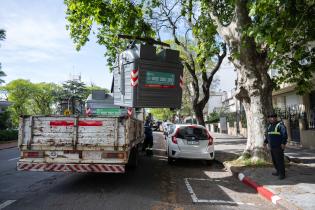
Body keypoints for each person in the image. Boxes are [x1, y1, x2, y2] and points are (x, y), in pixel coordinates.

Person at [264, 113, 288, 180]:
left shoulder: (280, 125)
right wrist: (265, 142)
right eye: (270, 117)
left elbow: (284, 135)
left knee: (279, 160)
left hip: (278, 146)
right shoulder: (269, 126)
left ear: (276, 118)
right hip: (272, 146)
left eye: (273, 117)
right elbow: (268, 136)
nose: (271, 118)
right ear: (268, 118)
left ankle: (282, 174)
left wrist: (283, 143)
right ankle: (278, 171)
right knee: (274, 160)